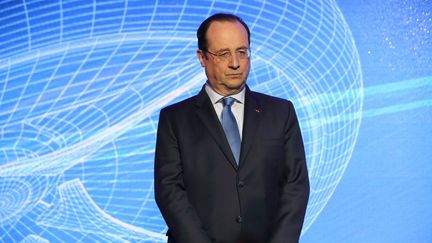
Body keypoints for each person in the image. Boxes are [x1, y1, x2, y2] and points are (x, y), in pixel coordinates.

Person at [154, 13, 309, 243]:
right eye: (223, 53)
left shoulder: (281, 112)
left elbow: (296, 185)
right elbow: (169, 191)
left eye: (242, 52)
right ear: (202, 57)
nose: (235, 62)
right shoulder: (175, 119)